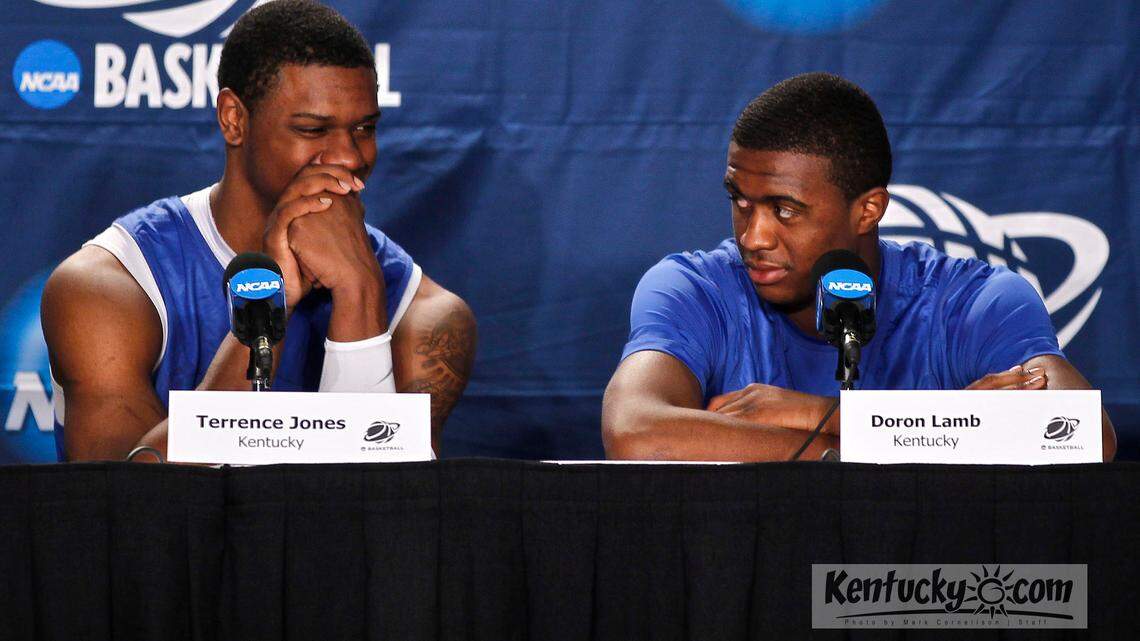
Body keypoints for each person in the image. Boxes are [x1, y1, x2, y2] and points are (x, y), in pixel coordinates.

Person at [602, 72, 1115, 462]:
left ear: (867, 210)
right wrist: (947, 430)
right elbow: (634, 430)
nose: (753, 237)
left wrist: (819, 415)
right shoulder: (692, 288)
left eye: (785, 210)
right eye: (741, 201)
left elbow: (1083, 435)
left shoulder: (978, 301)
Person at [41, 0, 475, 461]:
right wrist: (270, 304)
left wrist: (360, 291)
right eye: (313, 129)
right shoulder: (110, 286)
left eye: (364, 128)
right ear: (234, 119)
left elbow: (376, 513)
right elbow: (129, 509)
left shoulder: (427, 315)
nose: (350, 157)